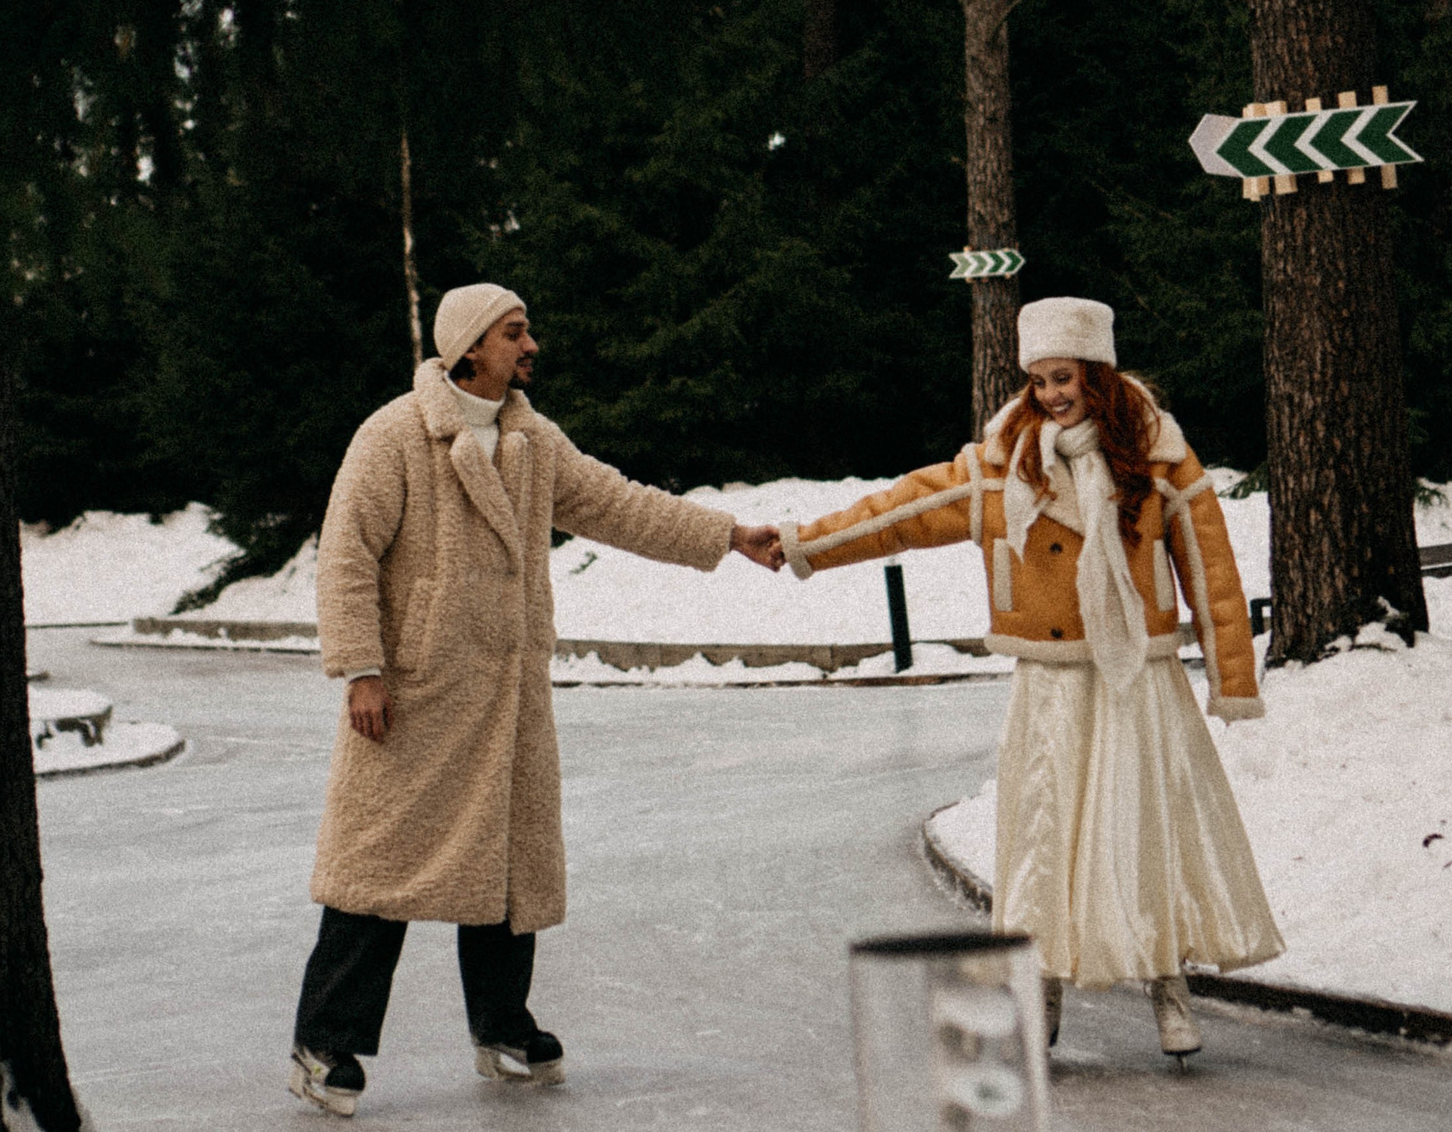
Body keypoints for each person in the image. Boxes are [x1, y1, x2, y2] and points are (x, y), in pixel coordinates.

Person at [289, 283, 784, 1117]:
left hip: (507, 690)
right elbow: (346, 554)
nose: (532, 346)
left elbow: (618, 503)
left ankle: (502, 1028)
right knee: (382, 865)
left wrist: (724, 536)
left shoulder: (531, 438)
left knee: (506, 859)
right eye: (515, 333)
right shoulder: (394, 435)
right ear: (469, 348)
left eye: (526, 331)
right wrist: (361, 669)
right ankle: (323, 1041)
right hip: (417, 691)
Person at [776, 296, 1282, 1059]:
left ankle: (1168, 988)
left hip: (1135, 677)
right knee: (1042, 839)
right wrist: (805, 543)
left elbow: (1210, 566)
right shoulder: (1002, 462)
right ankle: (1039, 989)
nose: (1050, 393)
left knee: (1145, 829)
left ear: (1097, 375)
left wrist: (1230, 676)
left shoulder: (1159, 456)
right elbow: (906, 511)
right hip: (1050, 679)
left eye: (1064, 376)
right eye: (1039, 378)